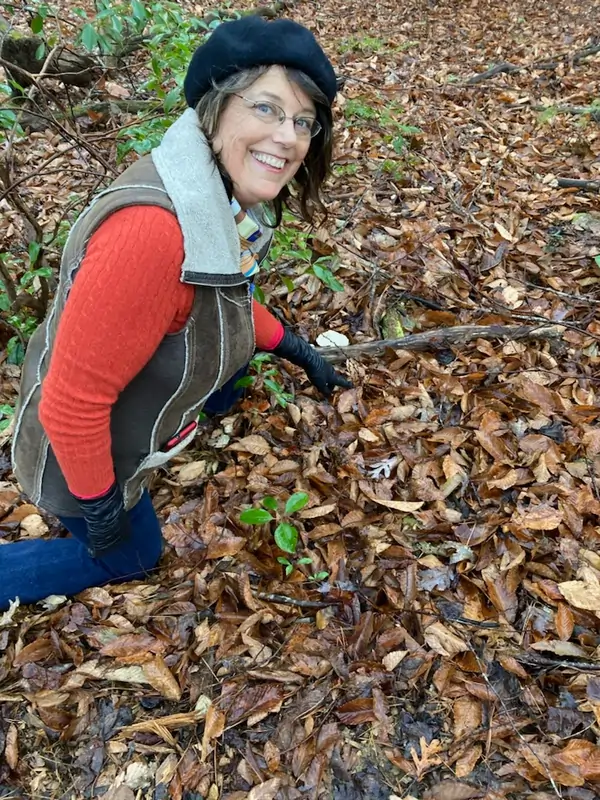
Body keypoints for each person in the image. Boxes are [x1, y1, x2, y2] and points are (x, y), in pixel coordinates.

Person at [3, 17, 351, 610]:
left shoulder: (212, 199)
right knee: (134, 556)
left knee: (227, 375)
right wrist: (103, 511)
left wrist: (294, 347)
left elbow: (221, 302)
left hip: (118, 427)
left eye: (302, 121)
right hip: (78, 458)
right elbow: (71, 406)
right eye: (266, 109)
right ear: (215, 109)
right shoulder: (154, 234)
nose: (289, 138)